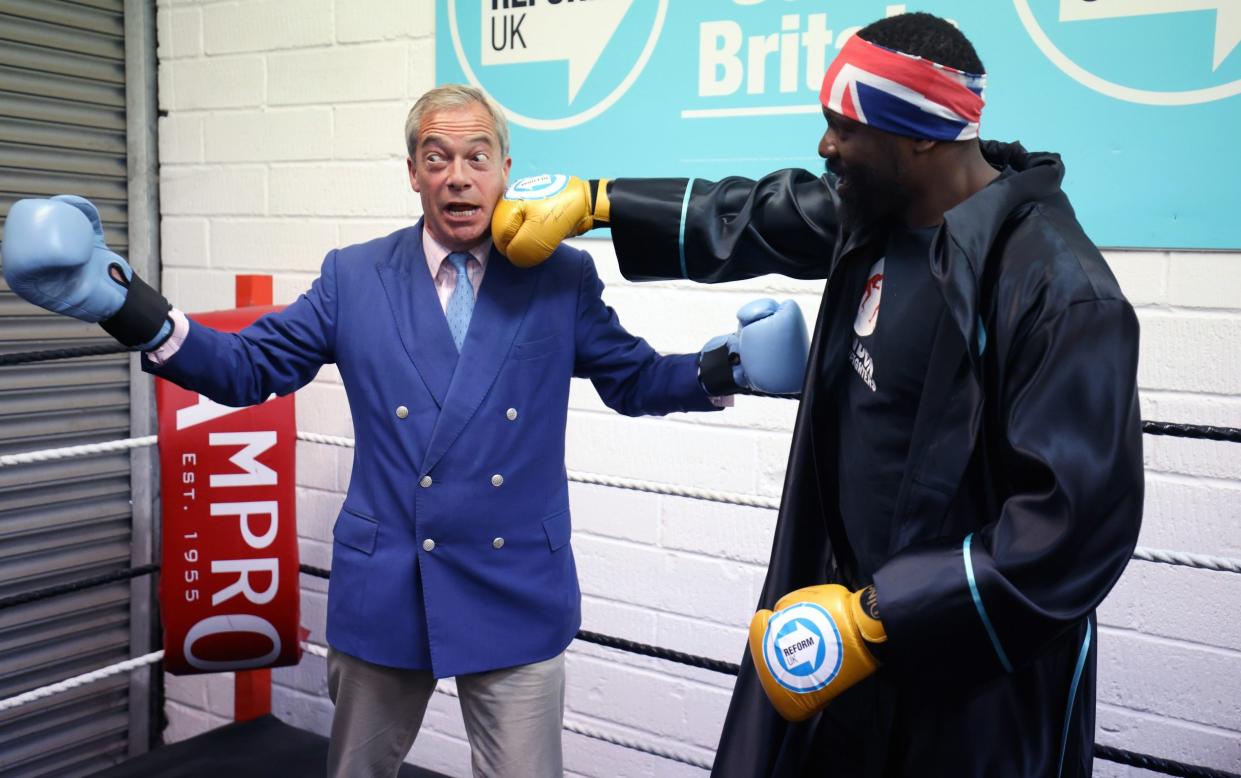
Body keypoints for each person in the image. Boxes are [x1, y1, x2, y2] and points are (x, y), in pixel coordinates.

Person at [0, 84, 810, 777]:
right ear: (414, 173)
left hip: (514, 584)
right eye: (435, 157)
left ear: (506, 169)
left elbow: (630, 377)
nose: (457, 178)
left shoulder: (559, 274)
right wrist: (124, 305)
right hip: (388, 581)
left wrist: (724, 367)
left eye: (477, 156)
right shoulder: (353, 276)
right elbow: (246, 369)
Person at [489, 12, 1144, 778]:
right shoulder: (879, 216)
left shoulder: (1057, 289)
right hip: (840, 633)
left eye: (843, 128)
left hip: (963, 676)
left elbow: (1074, 527)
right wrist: (600, 202)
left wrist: (879, 619)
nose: (825, 146)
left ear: (919, 138)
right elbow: (755, 212)